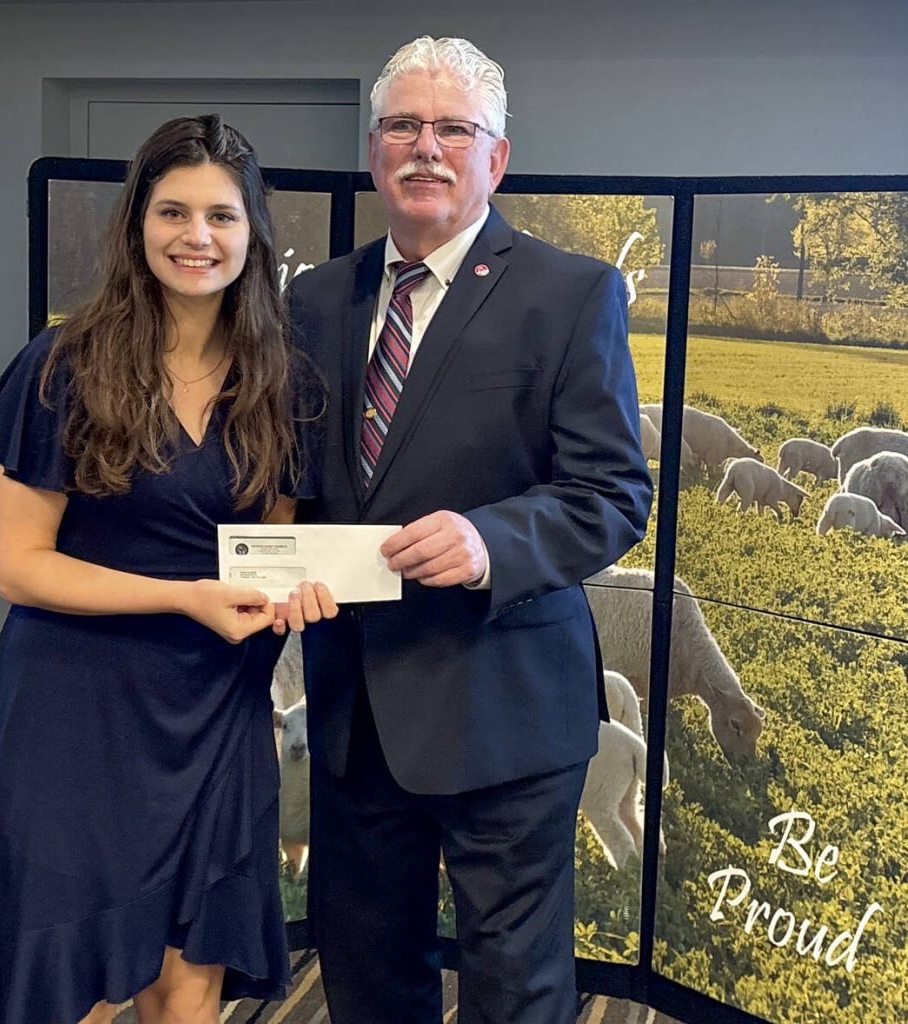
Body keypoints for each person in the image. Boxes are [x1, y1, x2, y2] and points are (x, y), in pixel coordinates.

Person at [288, 36, 653, 1024]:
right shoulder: (315, 299)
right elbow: (295, 482)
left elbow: (614, 492)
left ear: (495, 156)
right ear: (373, 151)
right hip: (354, 705)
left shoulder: (570, 294)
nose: (425, 147)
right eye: (403, 125)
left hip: (503, 704)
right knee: (364, 964)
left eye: (454, 128)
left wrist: (494, 541)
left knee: (513, 984)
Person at [0, 115, 336, 1024]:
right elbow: (19, 567)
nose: (196, 237)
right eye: (172, 212)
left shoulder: (287, 387)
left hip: (215, 715)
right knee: (68, 979)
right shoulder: (60, 367)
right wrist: (184, 597)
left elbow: (275, 553)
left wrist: (302, 595)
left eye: (220, 216)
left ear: (253, 234)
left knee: (185, 979)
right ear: (136, 226)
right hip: (71, 717)